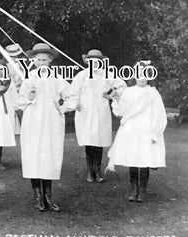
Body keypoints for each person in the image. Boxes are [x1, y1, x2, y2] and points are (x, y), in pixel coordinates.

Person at [18, 43, 71, 212]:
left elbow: (72, 96)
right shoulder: (29, 78)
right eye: (38, 60)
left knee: (49, 157)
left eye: (44, 60)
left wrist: (61, 109)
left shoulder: (57, 78)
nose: (41, 63)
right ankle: (38, 197)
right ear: (34, 61)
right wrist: (30, 97)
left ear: (50, 61)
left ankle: (48, 197)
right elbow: (19, 101)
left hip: (51, 122)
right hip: (33, 121)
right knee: (34, 156)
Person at [107, 61, 167, 202]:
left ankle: (143, 190)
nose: (141, 78)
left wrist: (154, 133)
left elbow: (160, 115)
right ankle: (133, 188)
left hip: (146, 129)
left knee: (145, 159)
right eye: (139, 74)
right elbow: (121, 111)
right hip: (132, 130)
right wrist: (116, 98)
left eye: (144, 75)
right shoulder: (128, 92)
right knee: (133, 158)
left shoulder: (153, 93)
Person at [68, 49, 126, 183]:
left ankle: (97, 170)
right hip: (85, 111)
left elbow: (121, 87)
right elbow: (73, 92)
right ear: (87, 61)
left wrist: (111, 94)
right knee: (89, 140)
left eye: (97, 61)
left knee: (98, 141)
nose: (94, 64)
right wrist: (75, 103)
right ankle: (90, 171)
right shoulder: (81, 76)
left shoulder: (107, 75)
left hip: (100, 110)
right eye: (91, 61)